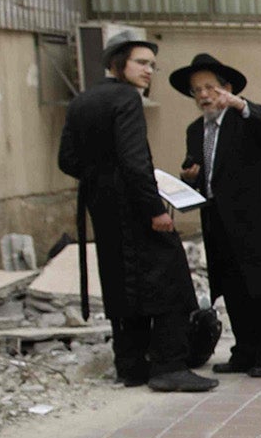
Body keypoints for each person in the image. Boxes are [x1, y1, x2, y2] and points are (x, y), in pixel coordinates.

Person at [56, 29, 215, 393]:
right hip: (134, 206)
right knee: (171, 278)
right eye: (141, 63)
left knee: (121, 283)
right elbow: (134, 161)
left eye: (152, 65)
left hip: (102, 208)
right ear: (118, 63)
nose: (148, 71)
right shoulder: (127, 100)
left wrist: (100, 179)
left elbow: (67, 159)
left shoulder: (82, 100)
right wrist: (155, 210)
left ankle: (130, 367)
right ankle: (169, 366)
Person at [171, 53, 261, 378]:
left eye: (209, 87)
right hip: (221, 222)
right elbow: (206, 173)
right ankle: (245, 352)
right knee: (235, 288)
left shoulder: (248, 119)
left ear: (227, 89)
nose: (204, 95)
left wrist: (240, 104)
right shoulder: (195, 131)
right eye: (196, 90)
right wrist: (188, 179)